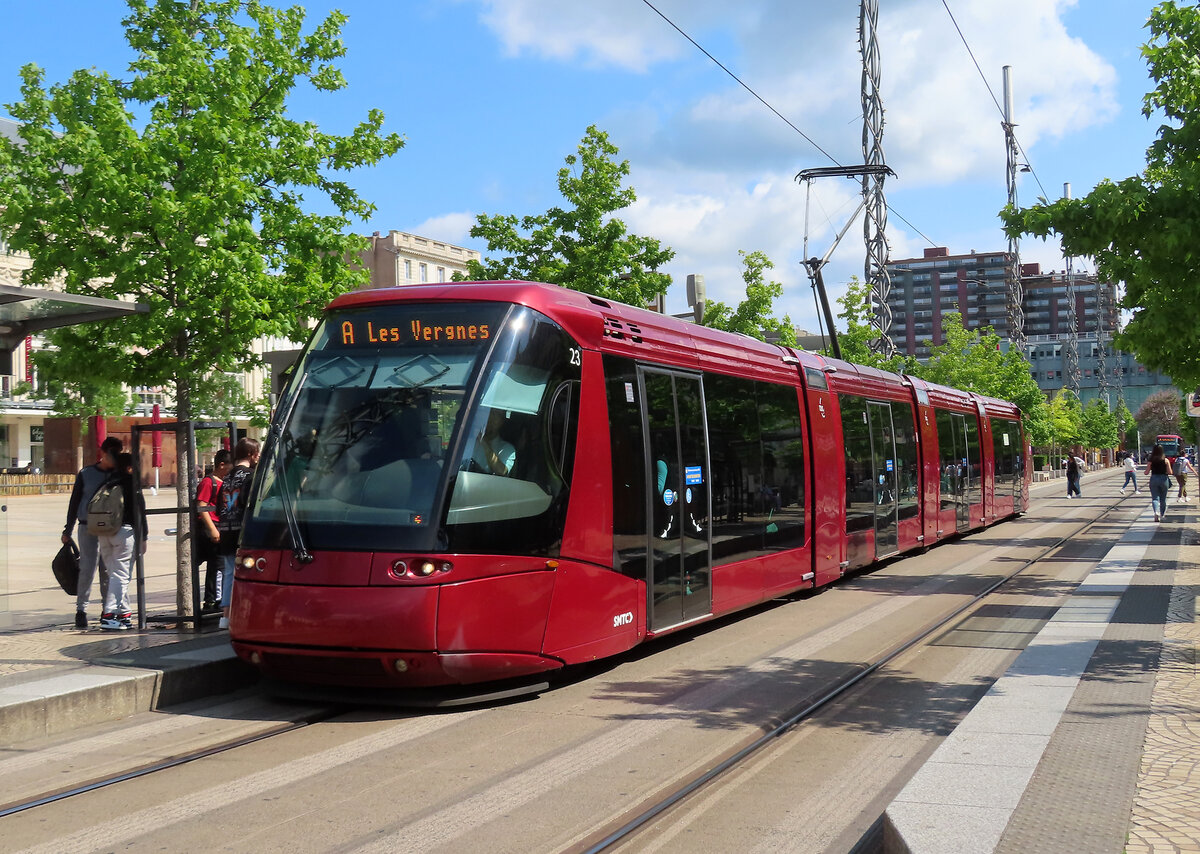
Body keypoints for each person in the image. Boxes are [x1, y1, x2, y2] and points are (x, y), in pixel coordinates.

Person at [62, 436, 122, 629]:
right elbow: (75, 501)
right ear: (102, 453)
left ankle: (108, 610)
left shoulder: (119, 475)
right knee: (87, 568)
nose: (114, 457)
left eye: (117, 454)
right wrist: (67, 529)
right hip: (87, 526)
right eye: (111, 453)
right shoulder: (86, 473)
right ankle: (81, 610)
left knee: (107, 570)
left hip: (111, 528)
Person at [97, 452, 148, 631]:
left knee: (115, 575)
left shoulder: (107, 480)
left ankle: (124, 614)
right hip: (124, 532)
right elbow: (140, 511)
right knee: (121, 575)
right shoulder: (131, 483)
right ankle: (109, 614)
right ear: (130, 467)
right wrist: (144, 536)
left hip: (103, 532)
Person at [216, 437, 260, 629]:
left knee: (228, 574)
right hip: (243, 534)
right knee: (246, 574)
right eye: (257, 453)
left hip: (225, 530)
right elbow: (250, 505)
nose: (258, 456)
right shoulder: (251, 476)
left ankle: (225, 616)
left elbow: (219, 507)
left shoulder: (226, 478)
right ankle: (242, 614)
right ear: (251, 454)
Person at [196, 449, 232, 611]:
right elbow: (201, 506)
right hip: (211, 529)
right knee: (216, 566)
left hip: (220, 527)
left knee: (220, 565)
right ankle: (212, 599)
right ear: (222, 465)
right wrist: (212, 529)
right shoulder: (208, 482)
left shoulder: (225, 482)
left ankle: (217, 598)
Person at [1145, 444, 1172, 522]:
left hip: (1154, 478)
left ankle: (1156, 512)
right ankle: (1162, 514)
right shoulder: (1166, 460)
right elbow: (1170, 472)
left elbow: (1146, 472)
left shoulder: (1151, 460)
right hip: (1164, 479)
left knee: (1155, 498)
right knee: (1163, 499)